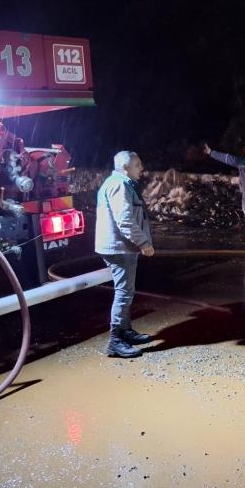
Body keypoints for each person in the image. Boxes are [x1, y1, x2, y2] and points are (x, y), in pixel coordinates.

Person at [94, 150, 155, 358]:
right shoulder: (119, 185)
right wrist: (143, 242)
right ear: (125, 168)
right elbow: (125, 220)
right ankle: (115, 341)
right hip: (120, 248)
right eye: (138, 165)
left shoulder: (116, 183)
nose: (142, 168)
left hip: (121, 247)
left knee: (126, 291)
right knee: (123, 293)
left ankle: (125, 331)